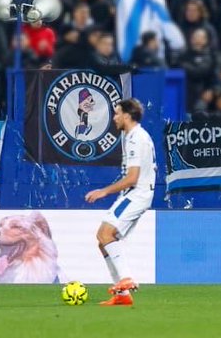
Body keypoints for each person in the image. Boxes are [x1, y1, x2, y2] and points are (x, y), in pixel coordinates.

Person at [84, 98, 155, 307]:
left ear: (127, 115)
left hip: (136, 194)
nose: (114, 118)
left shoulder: (136, 138)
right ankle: (122, 294)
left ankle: (126, 278)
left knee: (105, 234)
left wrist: (103, 191)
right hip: (133, 194)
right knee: (103, 241)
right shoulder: (134, 136)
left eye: (117, 113)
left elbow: (132, 177)